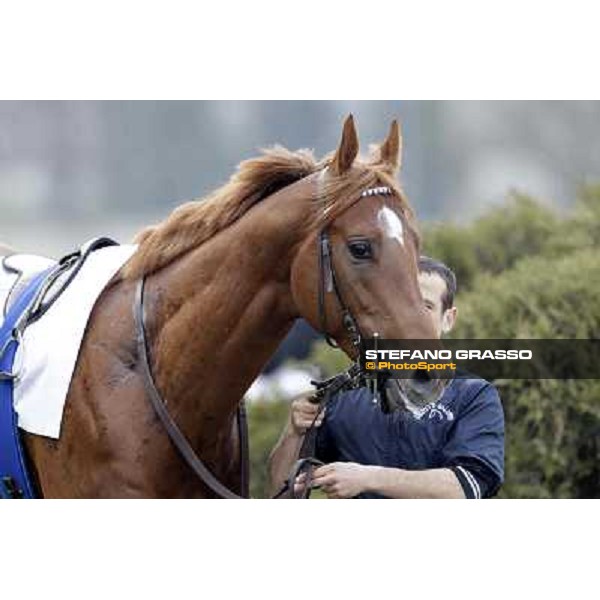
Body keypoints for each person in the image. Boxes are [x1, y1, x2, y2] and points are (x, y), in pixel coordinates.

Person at [268, 257, 505, 499]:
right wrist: (293, 432)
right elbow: (281, 492)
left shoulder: (474, 394)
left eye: (425, 306)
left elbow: (468, 487)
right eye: (399, 303)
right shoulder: (345, 394)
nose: (409, 317)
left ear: (449, 319)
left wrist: (367, 478)